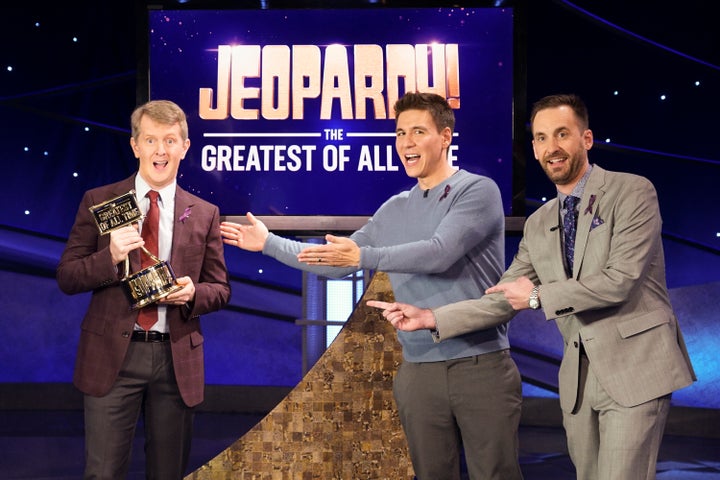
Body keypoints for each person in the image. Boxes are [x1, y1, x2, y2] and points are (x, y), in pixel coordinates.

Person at [369, 93, 697, 480]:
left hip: (636, 368)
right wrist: (432, 317)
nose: (551, 148)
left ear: (586, 139)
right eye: (541, 138)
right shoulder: (540, 223)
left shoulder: (632, 192)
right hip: (579, 380)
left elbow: (619, 281)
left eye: (562, 135)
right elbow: (503, 297)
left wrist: (539, 296)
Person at [220, 92, 523, 480]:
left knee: (495, 474)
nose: (407, 142)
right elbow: (336, 263)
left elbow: (439, 252)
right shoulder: (395, 208)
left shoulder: (476, 191)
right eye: (400, 133)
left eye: (418, 131)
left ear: (445, 136)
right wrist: (268, 243)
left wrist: (362, 257)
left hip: (479, 364)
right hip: (418, 370)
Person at [57, 99, 231, 479]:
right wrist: (110, 257)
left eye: (170, 141)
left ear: (185, 147)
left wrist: (191, 294)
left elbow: (219, 288)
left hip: (175, 360)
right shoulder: (99, 201)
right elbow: (68, 276)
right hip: (112, 358)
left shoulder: (204, 213)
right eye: (151, 140)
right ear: (135, 145)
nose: (160, 151)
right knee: (102, 473)